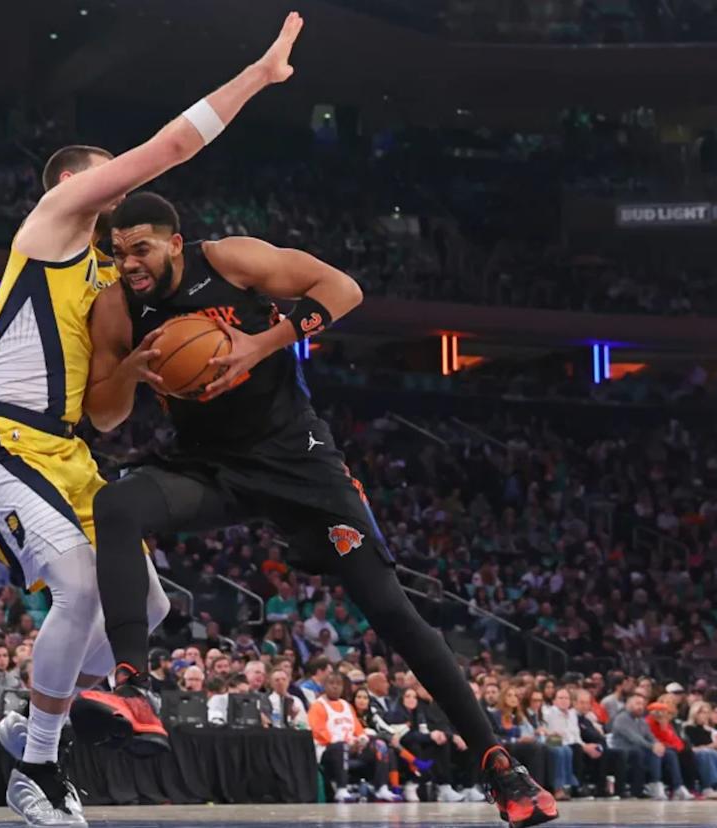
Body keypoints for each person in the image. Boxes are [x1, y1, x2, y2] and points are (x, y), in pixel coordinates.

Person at [83, 190, 557, 828]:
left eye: (140, 249)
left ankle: (500, 763)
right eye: (117, 252)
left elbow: (343, 290)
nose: (128, 263)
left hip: (297, 461)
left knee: (391, 610)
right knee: (116, 504)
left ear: (173, 242)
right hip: (208, 465)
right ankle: (134, 686)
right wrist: (133, 373)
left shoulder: (228, 259)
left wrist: (261, 344)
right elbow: (104, 416)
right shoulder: (116, 306)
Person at [0, 15, 305, 828]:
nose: (120, 196)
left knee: (141, 611)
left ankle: (30, 721)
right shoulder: (48, 228)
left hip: (67, 450)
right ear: (73, 185)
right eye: (109, 180)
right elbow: (171, 150)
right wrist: (255, 76)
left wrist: (137, 373)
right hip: (4, 436)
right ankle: (35, 767)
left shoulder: (108, 289)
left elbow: (105, 418)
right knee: (77, 585)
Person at [309, 673, 397, 803]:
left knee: (380, 745)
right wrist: (347, 744)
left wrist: (361, 740)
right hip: (329, 750)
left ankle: (381, 787)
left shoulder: (346, 705)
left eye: (338, 684)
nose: (335, 687)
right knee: (341, 746)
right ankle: (341, 789)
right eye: (331, 683)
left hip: (353, 747)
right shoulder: (318, 706)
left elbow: (357, 729)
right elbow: (318, 732)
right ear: (324, 686)